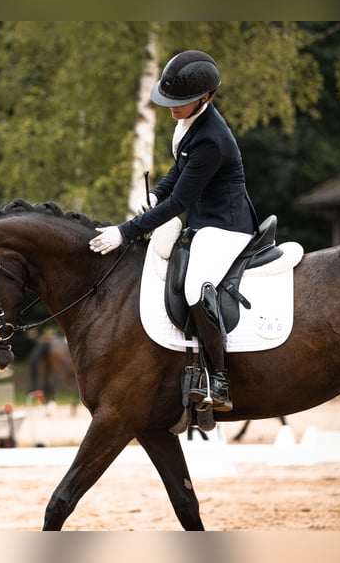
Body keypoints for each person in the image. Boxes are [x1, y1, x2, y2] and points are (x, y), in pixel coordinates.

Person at [89, 50, 259, 412]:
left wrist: (125, 232)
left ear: (205, 98)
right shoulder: (188, 123)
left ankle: (219, 378)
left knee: (198, 286)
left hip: (226, 226)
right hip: (203, 221)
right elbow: (178, 172)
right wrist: (155, 192)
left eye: (179, 102)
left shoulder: (212, 139)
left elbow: (180, 202)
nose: (171, 108)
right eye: (169, 100)